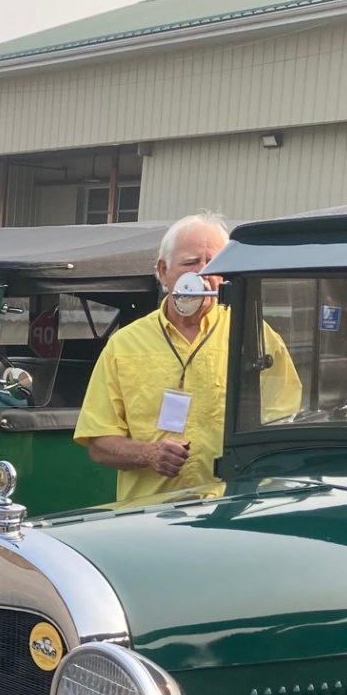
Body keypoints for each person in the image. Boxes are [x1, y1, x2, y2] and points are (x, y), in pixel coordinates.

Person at [74, 213, 300, 504]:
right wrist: (149, 454)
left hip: (231, 511)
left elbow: (285, 427)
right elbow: (99, 444)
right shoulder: (124, 345)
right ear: (163, 271)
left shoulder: (255, 337)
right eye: (191, 262)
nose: (204, 273)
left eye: (215, 263)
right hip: (148, 517)